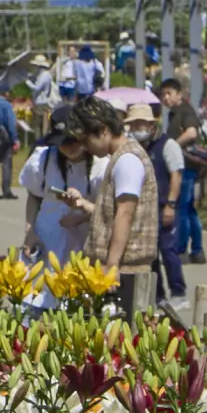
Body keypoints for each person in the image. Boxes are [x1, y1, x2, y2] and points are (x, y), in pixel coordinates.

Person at [70, 97, 158, 306]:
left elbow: (125, 213)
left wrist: (112, 265)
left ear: (103, 131)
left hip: (126, 271)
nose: (84, 147)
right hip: (117, 269)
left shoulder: (128, 160)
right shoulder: (120, 157)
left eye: (86, 140)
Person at [19, 107, 97, 293]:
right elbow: (34, 196)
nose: (69, 147)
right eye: (62, 142)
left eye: (73, 141)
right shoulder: (43, 159)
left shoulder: (100, 163)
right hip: (48, 242)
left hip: (84, 246)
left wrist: (81, 217)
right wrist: (30, 231)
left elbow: (109, 210)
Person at [127, 103, 187, 299]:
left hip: (164, 206)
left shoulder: (168, 145)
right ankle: (157, 295)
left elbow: (176, 175)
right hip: (144, 209)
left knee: (168, 250)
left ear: (152, 125)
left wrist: (170, 204)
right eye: (134, 125)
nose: (137, 129)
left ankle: (178, 292)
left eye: (141, 124)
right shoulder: (134, 147)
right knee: (149, 253)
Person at [159, 79, 205, 264]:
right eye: (163, 95)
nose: (165, 98)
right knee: (190, 209)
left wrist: (173, 146)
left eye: (169, 93)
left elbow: (192, 132)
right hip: (184, 166)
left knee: (182, 208)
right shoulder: (174, 113)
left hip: (186, 166)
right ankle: (197, 250)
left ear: (179, 94)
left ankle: (181, 248)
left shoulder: (185, 110)